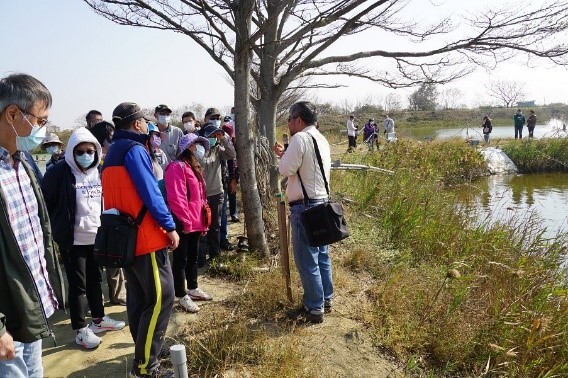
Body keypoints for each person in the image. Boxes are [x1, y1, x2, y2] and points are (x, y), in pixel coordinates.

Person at [103, 102, 180, 377]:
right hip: (146, 237)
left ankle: (144, 354)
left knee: (139, 299)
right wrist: (169, 225)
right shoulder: (135, 150)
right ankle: (147, 366)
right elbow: (150, 192)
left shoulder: (112, 152)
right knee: (162, 297)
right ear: (136, 124)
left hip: (125, 239)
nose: (149, 125)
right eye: (145, 121)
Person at [0, 73, 65, 377]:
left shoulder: (22, 163)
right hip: (7, 323)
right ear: (12, 114)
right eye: (40, 120)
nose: (43, 130)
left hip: (32, 308)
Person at [41, 127, 126, 349]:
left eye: (90, 150)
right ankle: (80, 329)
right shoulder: (59, 173)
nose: (86, 155)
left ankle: (98, 320)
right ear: (71, 152)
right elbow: (45, 202)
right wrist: (58, 224)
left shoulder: (99, 172)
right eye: (80, 151)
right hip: (73, 239)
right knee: (78, 286)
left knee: (96, 280)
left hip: (95, 236)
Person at [272, 101, 333, 324]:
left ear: (298, 120)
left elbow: (286, 169)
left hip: (305, 206)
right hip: (322, 202)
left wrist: (284, 156)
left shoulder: (299, 138)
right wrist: (286, 154)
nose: (288, 124)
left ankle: (314, 308)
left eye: (289, 119)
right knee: (322, 255)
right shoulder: (321, 138)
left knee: (307, 259)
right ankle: (326, 299)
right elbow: (305, 164)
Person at [164, 133, 213, 313]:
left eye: (200, 145)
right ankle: (181, 295)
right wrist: (185, 221)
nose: (198, 149)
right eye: (195, 145)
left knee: (193, 256)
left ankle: (192, 288)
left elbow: (200, 197)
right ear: (187, 148)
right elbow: (176, 197)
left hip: (196, 221)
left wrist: (203, 222)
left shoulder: (195, 168)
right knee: (180, 259)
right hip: (183, 221)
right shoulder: (177, 167)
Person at [87, 121, 127, 306]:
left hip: (110, 213)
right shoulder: (90, 161)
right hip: (94, 216)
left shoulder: (113, 157)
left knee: (113, 256)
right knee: (99, 260)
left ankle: (117, 294)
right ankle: (100, 299)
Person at [198, 108, 236, 264]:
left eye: (215, 135)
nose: (213, 138)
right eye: (211, 135)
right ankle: (201, 256)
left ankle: (215, 255)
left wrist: (224, 138)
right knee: (201, 226)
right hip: (201, 194)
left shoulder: (219, 149)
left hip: (217, 193)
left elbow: (232, 154)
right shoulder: (198, 151)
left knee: (215, 225)